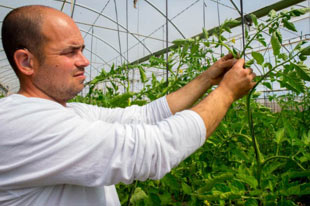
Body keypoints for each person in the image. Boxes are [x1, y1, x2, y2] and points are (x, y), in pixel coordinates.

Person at [0, 5, 256, 206]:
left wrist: (208, 78)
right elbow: (150, 150)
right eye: (70, 52)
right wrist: (226, 93)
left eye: (83, 50)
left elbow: (144, 116)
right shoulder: (22, 124)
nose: (85, 61)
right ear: (26, 62)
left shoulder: (70, 112)